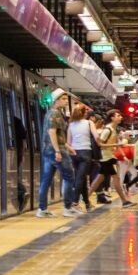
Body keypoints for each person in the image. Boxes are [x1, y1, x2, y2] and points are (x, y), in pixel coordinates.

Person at [37, 88, 77, 218]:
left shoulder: (51, 113)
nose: (66, 101)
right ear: (56, 101)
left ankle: (42, 209)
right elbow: (52, 132)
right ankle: (68, 207)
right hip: (55, 150)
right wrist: (58, 151)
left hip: (49, 151)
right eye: (64, 99)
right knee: (69, 176)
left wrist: (67, 146)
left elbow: (58, 135)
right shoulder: (55, 114)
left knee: (46, 180)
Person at [87, 110, 136, 208]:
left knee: (99, 180)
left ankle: (85, 199)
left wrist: (121, 153)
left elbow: (114, 145)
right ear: (112, 118)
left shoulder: (113, 129)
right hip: (106, 158)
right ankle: (124, 201)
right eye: (118, 115)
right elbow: (101, 144)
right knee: (116, 179)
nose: (121, 117)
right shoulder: (108, 130)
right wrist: (116, 145)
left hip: (109, 157)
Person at [67, 105, 95, 212]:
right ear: (85, 113)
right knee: (80, 178)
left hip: (74, 153)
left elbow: (68, 142)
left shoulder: (71, 125)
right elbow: (96, 137)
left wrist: (72, 149)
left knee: (81, 178)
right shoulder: (89, 123)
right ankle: (74, 203)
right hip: (85, 152)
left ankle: (87, 203)